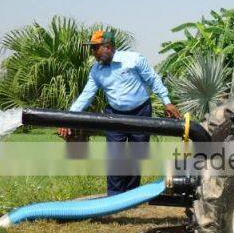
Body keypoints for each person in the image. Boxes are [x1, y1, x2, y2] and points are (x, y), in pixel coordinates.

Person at [59, 29, 181, 196]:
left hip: (141, 112)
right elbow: (86, 96)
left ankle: (131, 195)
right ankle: (114, 195)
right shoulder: (97, 71)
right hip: (114, 115)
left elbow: (153, 79)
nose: (92, 53)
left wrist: (167, 102)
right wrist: (68, 118)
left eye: (95, 48)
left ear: (108, 47)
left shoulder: (134, 60)